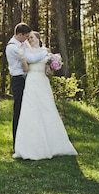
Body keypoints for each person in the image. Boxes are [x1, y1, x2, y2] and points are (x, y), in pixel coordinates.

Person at [13, 31, 77, 160]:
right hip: (31, 81)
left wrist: (52, 67)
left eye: (31, 37)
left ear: (37, 38)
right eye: (28, 37)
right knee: (30, 111)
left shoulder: (46, 51)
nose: (29, 39)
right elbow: (25, 69)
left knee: (47, 110)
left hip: (42, 82)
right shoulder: (26, 52)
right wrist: (22, 58)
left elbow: (49, 72)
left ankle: (54, 144)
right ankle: (29, 147)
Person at [5, 22, 33, 148]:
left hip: (25, 79)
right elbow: (29, 58)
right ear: (20, 35)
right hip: (18, 80)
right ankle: (17, 142)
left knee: (27, 111)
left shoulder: (22, 44)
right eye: (26, 37)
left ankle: (27, 139)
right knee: (19, 110)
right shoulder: (12, 47)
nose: (27, 39)